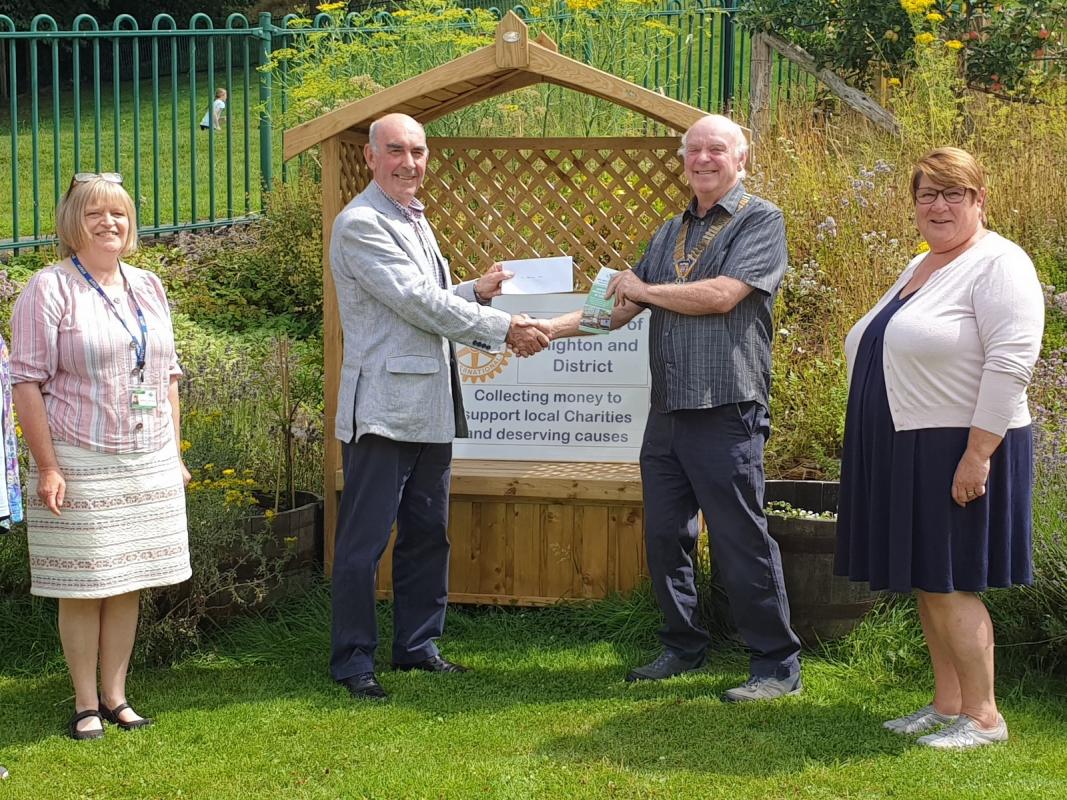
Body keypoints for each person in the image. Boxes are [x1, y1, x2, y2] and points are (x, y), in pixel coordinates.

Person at [536, 114, 802, 702]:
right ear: (683, 161)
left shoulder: (762, 220)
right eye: (693, 151)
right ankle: (681, 646)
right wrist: (546, 328)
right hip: (669, 410)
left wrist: (646, 291)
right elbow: (616, 308)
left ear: (742, 159)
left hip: (727, 405)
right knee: (663, 536)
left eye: (716, 150)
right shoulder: (669, 230)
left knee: (740, 538)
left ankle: (775, 663)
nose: (703, 159)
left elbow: (722, 295)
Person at [328, 113, 548, 701]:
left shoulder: (410, 217)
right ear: (371, 158)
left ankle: (417, 647)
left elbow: (418, 304)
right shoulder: (360, 223)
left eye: (418, 152)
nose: (409, 162)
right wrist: (503, 327)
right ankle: (353, 661)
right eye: (396, 151)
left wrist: (472, 294)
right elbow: (415, 303)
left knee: (428, 532)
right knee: (363, 542)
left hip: (428, 405)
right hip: (381, 409)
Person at [835, 147, 1044, 749]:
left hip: (962, 444)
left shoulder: (999, 264)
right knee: (930, 578)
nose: (939, 205)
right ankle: (947, 704)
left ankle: (983, 717)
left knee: (952, 580)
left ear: (980, 200)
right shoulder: (921, 264)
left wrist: (978, 455)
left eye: (955, 194)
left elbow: (1010, 364)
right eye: (927, 194)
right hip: (907, 442)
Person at [11, 173, 191, 739]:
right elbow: (25, 382)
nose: (109, 223)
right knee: (85, 584)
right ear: (74, 224)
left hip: (148, 454)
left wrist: (175, 451)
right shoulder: (49, 288)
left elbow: (167, 375)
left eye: (118, 214)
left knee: (128, 579)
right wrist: (48, 466)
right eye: (95, 215)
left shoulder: (148, 286)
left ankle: (117, 696)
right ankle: (86, 704)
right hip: (79, 456)